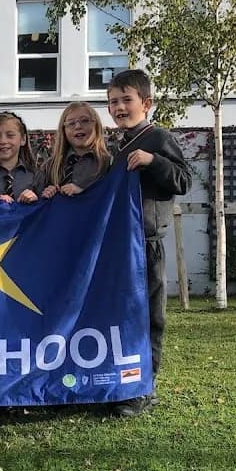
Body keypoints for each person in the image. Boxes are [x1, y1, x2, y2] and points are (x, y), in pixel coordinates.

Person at [107, 69, 192, 417]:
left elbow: (183, 181)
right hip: (121, 245)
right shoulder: (117, 146)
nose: (119, 107)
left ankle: (145, 389)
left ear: (146, 102)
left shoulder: (158, 139)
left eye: (126, 99)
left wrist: (153, 161)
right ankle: (126, 382)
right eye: (113, 101)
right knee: (124, 317)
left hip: (148, 244)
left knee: (148, 318)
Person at [42, 102, 112, 199]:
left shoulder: (108, 164)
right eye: (71, 123)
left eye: (85, 121)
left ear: (96, 126)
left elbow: (112, 197)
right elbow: (36, 201)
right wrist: (45, 194)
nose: (78, 126)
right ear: (64, 130)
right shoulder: (49, 167)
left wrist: (83, 193)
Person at [0, 111, 45, 204]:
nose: (3, 141)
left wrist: (35, 200)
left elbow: (46, 210)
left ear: (23, 139)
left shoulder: (36, 176)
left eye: (10, 135)